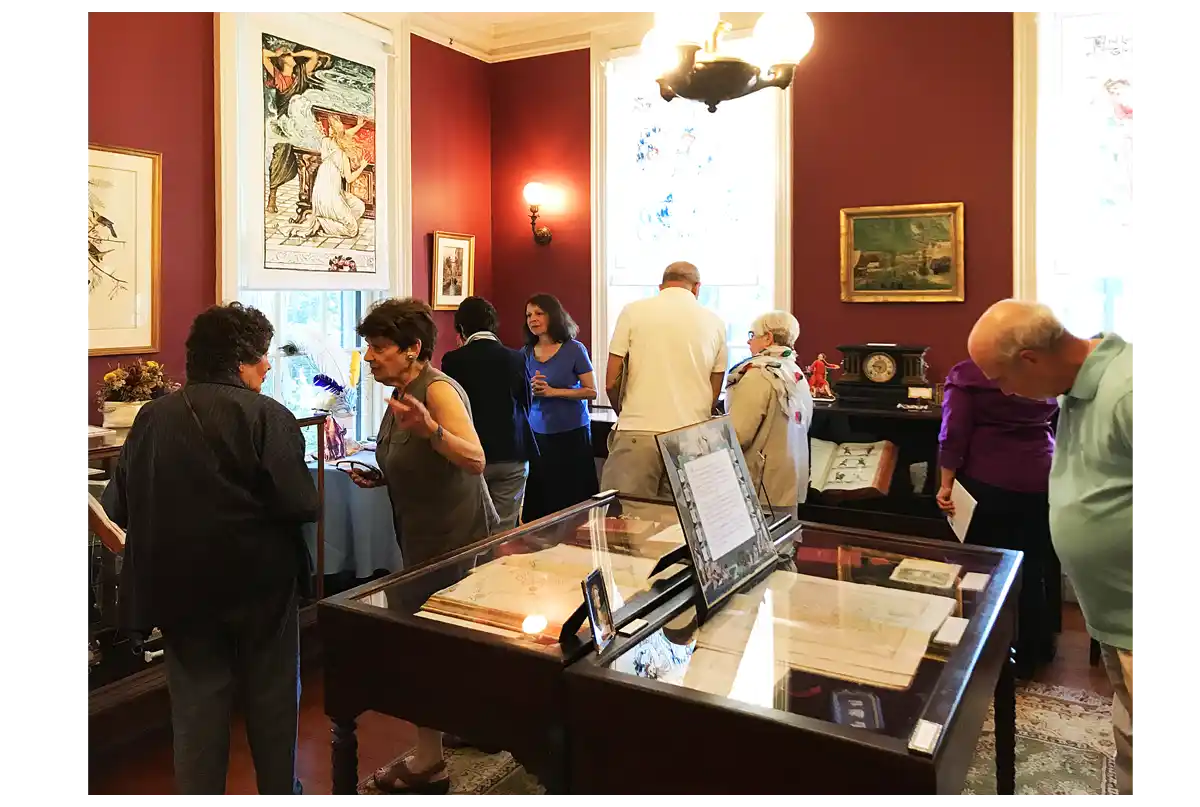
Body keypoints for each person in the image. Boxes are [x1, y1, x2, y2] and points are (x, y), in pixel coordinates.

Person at [102, 303, 319, 798]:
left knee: (196, 705)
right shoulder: (270, 416)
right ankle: (279, 793)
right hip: (261, 587)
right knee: (273, 699)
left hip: (179, 588)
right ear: (239, 360)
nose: (268, 365)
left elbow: (120, 504)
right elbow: (301, 504)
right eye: (262, 356)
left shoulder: (151, 418)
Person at [967, 299, 1135, 798]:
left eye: (1002, 376)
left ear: (1030, 359)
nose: (1004, 391)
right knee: (1133, 733)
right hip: (1115, 614)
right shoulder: (1076, 388)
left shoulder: (1129, 390)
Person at [344, 297, 497, 796]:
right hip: (422, 539)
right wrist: (382, 475)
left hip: (454, 542)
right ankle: (470, 724)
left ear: (413, 349)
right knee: (443, 649)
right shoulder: (399, 392)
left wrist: (431, 429)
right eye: (368, 346)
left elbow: (474, 458)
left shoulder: (438, 391)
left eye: (380, 347)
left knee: (425, 651)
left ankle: (430, 761)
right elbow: (415, 459)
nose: (369, 357)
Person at [935, 356, 1059, 679]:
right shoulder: (1044, 369)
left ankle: (987, 654)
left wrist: (946, 484)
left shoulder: (967, 374)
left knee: (981, 569)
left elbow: (953, 432)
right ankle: (1034, 651)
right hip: (1042, 478)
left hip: (987, 483)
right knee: (1032, 567)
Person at [601, 261, 727, 499]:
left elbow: (611, 381)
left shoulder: (633, 311)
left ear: (661, 285)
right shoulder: (716, 322)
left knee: (626, 522)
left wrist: (626, 412)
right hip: (691, 435)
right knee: (680, 525)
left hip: (638, 430)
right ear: (697, 287)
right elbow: (715, 386)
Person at [441, 295, 538, 530]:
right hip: (512, 451)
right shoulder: (516, 357)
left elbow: (449, 406)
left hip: (471, 453)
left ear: (461, 328)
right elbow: (527, 401)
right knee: (503, 530)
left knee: (470, 529)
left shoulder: (453, 360)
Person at [725, 311, 814, 513]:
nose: (749, 342)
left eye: (752, 335)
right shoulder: (796, 372)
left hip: (762, 484)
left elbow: (739, 434)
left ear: (768, 338)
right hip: (791, 477)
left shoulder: (758, 375)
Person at [520, 294, 599, 520]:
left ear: (553, 315)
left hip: (571, 435)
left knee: (572, 499)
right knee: (542, 500)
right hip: (538, 436)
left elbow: (591, 391)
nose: (532, 319)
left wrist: (553, 392)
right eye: (528, 315)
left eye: (538, 313)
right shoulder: (524, 353)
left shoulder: (574, 349)